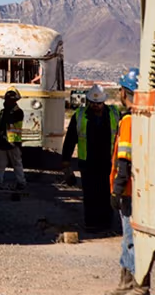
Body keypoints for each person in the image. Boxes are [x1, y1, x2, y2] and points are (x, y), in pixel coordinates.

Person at [107, 67, 151, 295]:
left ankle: (138, 286)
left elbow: (123, 161)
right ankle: (125, 284)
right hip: (142, 189)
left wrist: (116, 190)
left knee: (131, 238)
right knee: (128, 239)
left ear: (126, 92)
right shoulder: (148, 118)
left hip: (129, 191)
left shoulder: (128, 122)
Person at [61, 84, 120, 231]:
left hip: (108, 162)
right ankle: (92, 224)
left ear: (104, 102)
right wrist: (66, 160)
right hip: (88, 163)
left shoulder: (114, 114)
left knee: (107, 194)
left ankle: (107, 224)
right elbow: (70, 139)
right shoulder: (80, 116)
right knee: (90, 195)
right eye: (93, 103)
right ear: (88, 102)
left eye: (98, 103)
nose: (95, 106)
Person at [0, 87, 26, 191]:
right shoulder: (4, 112)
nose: (6, 102)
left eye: (9, 100)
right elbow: (0, 126)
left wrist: (13, 141)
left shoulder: (18, 112)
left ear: (14, 101)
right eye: (6, 100)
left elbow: (12, 123)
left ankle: (21, 182)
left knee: (17, 164)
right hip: (3, 142)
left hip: (13, 142)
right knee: (0, 164)